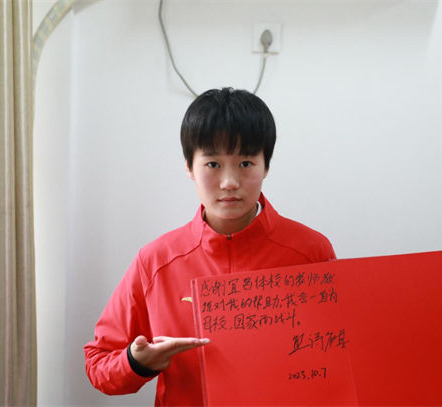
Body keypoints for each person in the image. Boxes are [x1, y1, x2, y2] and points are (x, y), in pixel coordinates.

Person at [84, 87, 336, 406]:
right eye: (213, 164)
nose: (230, 182)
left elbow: (339, 357)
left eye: (246, 163)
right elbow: (98, 365)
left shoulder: (310, 252)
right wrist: (137, 363)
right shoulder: (156, 261)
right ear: (189, 167)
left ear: (266, 166)